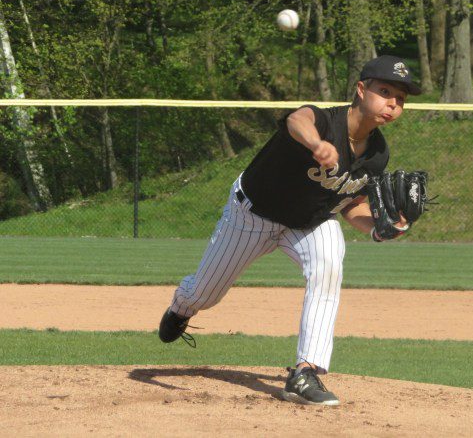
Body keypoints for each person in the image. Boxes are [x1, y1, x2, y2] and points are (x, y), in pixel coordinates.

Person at [158, 55, 421, 406]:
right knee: (206, 293)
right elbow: (298, 119)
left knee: (329, 264)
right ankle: (182, 306)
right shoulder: (324, 121)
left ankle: (305, 371)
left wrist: (379, 228)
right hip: (252, 216)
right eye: (385, 90)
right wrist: (316, 144)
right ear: (360, 90)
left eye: (400, 99)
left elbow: (350, 204)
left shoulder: (377, 155)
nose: (392, 102)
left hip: (308, 222)